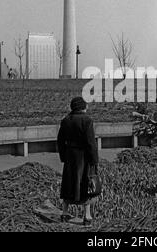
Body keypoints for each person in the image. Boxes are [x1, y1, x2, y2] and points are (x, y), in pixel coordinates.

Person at [57, 97, 99, 226]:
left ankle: (64, 213)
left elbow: (60, 140)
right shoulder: (87, 120)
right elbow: (91, 142)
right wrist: (94, 160)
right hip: (84, 156)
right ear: (83, 107)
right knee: (86, 184)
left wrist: (64, 156)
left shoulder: (65, 120)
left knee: (68, 183)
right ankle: (87, 216)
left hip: (70, 155)